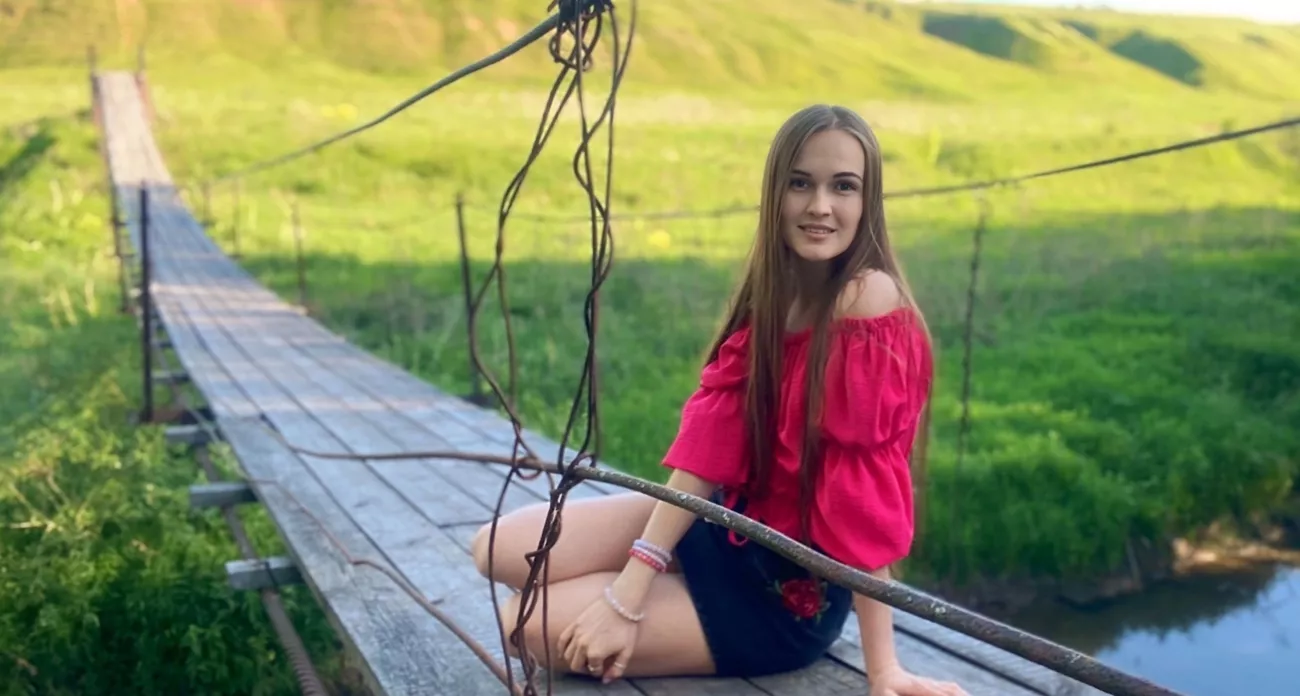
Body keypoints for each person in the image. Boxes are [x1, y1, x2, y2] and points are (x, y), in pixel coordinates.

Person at [472, 104, 967, 696]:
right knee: (495, 548)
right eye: (800, 183)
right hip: (721, 525)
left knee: (523, 621)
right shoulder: (774, 297)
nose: (819, 206)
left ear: (868, 202)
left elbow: (864, 498)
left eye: (843, 186)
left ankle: (659, 605)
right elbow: (709, 453)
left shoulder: (866, 298)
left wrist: (884, 670)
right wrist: (632, 582)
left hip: (780, 595)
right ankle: (649, 590)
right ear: (775, 193)